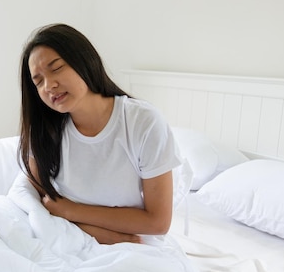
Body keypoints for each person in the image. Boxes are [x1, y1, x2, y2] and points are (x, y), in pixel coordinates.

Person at [18, 23, 182, 245]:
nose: (49, 85)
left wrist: (71, 211)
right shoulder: (45, 131)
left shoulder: (143, 122)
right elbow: (41, 203)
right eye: (38, 81)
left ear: (83, 61)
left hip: (129, 249)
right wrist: (104, 235)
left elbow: (158, 223)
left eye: (56, 68)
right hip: (69, 238)